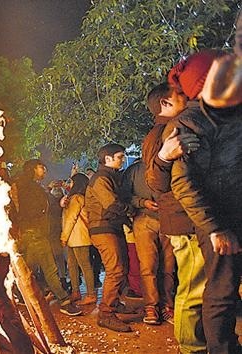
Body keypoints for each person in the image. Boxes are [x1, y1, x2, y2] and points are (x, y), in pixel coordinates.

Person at [151, 50, 242, 353]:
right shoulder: (185, 125)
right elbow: (167, 182)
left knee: (210, 290)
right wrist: (215, 227)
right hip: (198, 221)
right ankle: (197, 348)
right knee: (207, 291)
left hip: (206, 219)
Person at [143, 81, 206, 352]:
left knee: (196, 286)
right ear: (165, 104)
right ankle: (191, 347)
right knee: (192, 288)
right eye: (181, 94)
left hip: (185, 220)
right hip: (184, 221)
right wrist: (165, 157)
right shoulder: (163, 134)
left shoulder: (167, 129)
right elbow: (155, 181)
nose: (189, 95)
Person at [12, 159, 82, 316]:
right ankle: (64, 301)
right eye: (41, 167)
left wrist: (57, 203)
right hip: (34, 233)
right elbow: (34, 209)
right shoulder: (28, 187)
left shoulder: (30, 186)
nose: (44, 171)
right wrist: (54, 206)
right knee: (50, 269)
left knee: (27, 267)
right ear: (32, 169)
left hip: (31, 232)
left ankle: (18, 293)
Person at [85, 143, 134, 332]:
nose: (122, 160)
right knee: (115, 269)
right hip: (102, 228)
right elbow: (111, 203)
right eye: (120, 157)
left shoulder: (111, 176)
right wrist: (130, 211)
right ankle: (106, 313)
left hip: (112, 227)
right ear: (107, 159)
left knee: (122, 267)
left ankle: (114, 303)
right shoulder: (101, 178)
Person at [122, 158, 175, 325]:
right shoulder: (134, 170)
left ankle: (167, 305)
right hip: (144, 219)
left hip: (169, 219)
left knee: (169, 265)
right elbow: (124, 195)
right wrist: (142, 202)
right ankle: (151, 306)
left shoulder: (172, 165)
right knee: (148, 265)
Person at [60, 173, 96, 306]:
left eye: (72, 182)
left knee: (84, 266)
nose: (70, 184)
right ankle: (76, 292)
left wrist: (64, 237)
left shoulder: (76, 198)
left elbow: (71, 219)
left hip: (77, 237)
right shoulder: (78, 198)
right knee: (73, 266)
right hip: (74, 238)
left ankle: (91, 294)